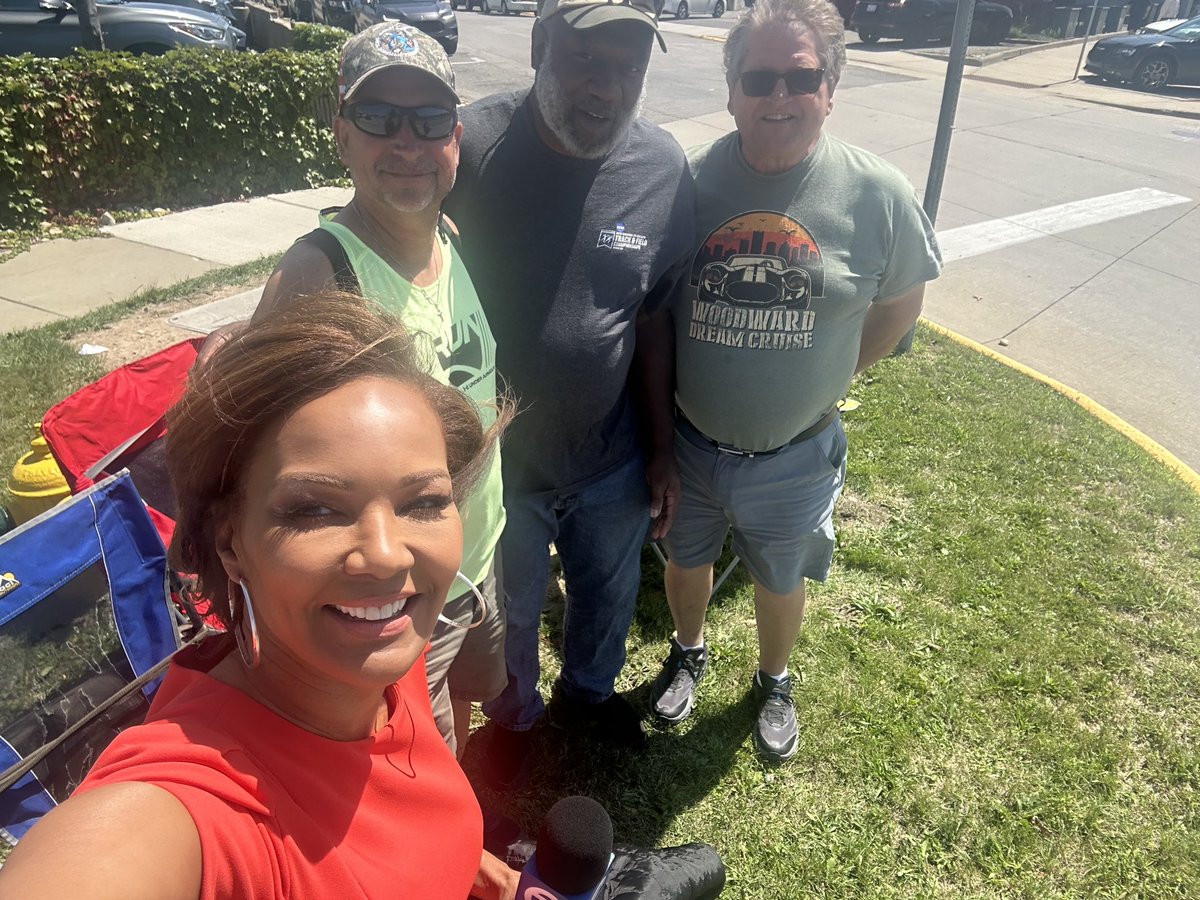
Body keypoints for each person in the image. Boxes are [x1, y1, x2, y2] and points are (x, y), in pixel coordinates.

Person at [0, 294, 519, 898]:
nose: (386, 555)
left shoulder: (378, 655)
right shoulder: (188, 809)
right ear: (230, 543)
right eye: (315, 509)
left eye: (423, 502)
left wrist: (451, 856)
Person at [646, 0, 942, 762]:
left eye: (800, 78)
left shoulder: (878, 192)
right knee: (687, 560)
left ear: (831, 88)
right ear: (734, 91)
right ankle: (689, 649)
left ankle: (773, 678)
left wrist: (840, 370)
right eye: (760, 78)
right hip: (688, 440)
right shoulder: (687, 182)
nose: (779, 97)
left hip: (797, 455)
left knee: (782, 575)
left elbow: (902, 303)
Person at [202, 23, 506, 759]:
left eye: (428, 121)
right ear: (343, 136)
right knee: (409, 756)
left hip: (480, 551)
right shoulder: (320, 272)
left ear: (455, 141)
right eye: (379, 118)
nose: (407, 143)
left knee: (468, 699)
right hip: (392, 581)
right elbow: (250, 451)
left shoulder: (448, 239)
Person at [442, 0, 694, 786]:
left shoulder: (661, 168)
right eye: (588, 60)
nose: (607, 88)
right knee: (512, 607)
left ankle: (587, 695)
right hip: (499, 462)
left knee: (606, 594)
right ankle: (514, 716)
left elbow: (653, 317)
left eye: (629, 68)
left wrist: (659, 449)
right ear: (540, 45)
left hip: (610, 457)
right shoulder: (471, 147)